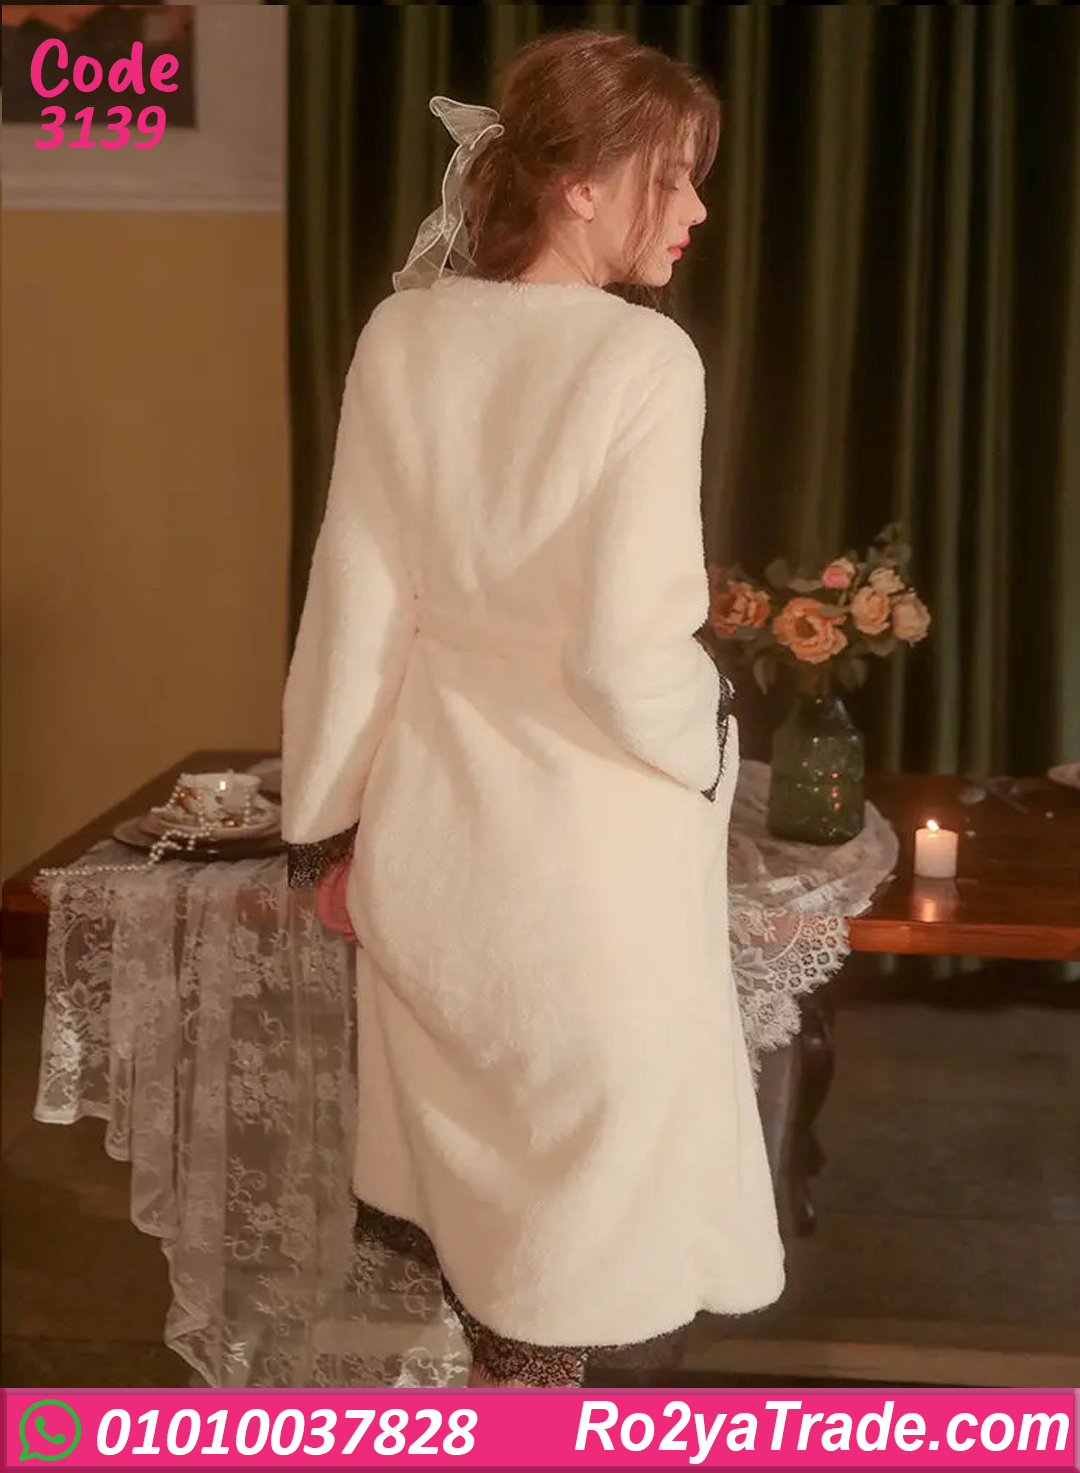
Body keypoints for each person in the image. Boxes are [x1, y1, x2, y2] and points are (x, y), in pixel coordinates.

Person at [280, 27, 786, 1390]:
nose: (696, 210)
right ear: (580, 183)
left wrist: (327, 821)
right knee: (588, 1274)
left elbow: (356, 603)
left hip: (440, 850)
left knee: (493, 1271)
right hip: (587, 872)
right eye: (673, 177)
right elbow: (628, 654)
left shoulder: (402, 333)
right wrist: (710, 738)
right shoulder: (641, 361)